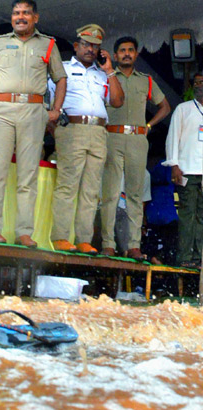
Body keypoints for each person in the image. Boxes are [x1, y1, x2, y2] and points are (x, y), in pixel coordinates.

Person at [0, 0, 66, 247]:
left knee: (28, 175)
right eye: (16, 13)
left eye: (26, 12)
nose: (20, 17)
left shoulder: (48, 45)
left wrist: (56, 109)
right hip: (1, 110)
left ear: (35, 17)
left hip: (34, 110)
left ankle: (24, 232)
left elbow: (60, 78)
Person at [48, 24, 123, 254]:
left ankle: (83, 240)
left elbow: (118, 101)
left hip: (99, 132)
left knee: (91, 190)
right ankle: (60, 237)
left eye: (95, 46)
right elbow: (51, 103)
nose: (90, 49)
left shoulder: (103, 74)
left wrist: (110, 70)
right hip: (73, 128)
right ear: (76, 46)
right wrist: (58, 131)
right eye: (86, 45)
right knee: (68, 185)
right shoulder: (63, 70)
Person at [98, 36, 171, 257]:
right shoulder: (105, 77)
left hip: (138, 139)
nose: (126, 53)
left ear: (136, 54)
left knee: (134, 195)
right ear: (115, 55)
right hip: (112, 136)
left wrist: (149, 124)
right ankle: (107, 244)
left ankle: (134, 246)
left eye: (130, 50)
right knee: (110, 194)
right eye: (122, 50)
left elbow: (165, 107)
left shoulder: (146, 80)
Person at [163, 70, 203, 267]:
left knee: (201, 217)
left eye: (202, 82)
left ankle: (199, 258)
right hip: (187, 170)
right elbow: (173, 137)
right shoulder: (183, 109)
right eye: (196, 83)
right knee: (188, 215)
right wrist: (174, 165)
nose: (199, 85)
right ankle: (185, 258)